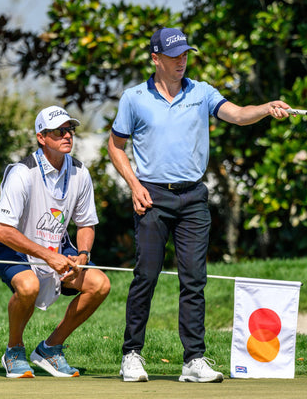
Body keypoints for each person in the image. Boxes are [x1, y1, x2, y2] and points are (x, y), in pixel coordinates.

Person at [108, 27, 290, 383]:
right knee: (146, 275)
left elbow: (237, 114)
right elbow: (115, 146)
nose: (182, 61)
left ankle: (194, 360)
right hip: (152, 196)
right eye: (174, 55)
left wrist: (266, 109)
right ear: (155, 58)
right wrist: (133, 184)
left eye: (185, 54)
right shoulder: (134, 98)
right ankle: (131, 355)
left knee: (194, 279)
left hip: (193, 197)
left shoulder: (201, 92)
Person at [0, 105, 111, 378]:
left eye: (70, 130)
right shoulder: (22, 172)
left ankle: (50, 349)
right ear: (42, 137)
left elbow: (86, 223)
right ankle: (14, 350)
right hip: (6, 241)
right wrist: (48, 257)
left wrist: (84, 254)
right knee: (27, 286)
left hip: (52, 241)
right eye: (59, 131)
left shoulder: (80, 172)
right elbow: (3, 231)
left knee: (99, 284)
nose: (68, 136)